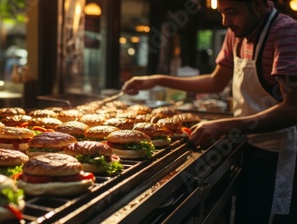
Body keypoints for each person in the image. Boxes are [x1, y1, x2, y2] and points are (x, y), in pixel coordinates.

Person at [121, 1, 297, 223]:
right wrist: (157, 80)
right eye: (221, 13)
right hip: (247, 143)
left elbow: (293, 108)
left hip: (277, 152)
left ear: (260, 4)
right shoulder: (237, 33)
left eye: (232, 12)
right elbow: (216, 82)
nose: (225, 21)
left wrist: (224, 125)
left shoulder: (286, 32)